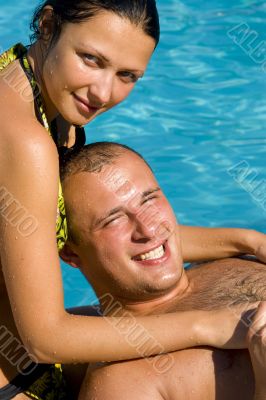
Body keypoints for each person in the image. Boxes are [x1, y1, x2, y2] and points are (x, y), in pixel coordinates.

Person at [0, 1, 265, 397]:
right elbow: (45, 338)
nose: (103, 92)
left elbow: (97, 234)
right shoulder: (26, 142)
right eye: (91, 59)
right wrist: (207, 324)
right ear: (50, 23)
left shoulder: (31, 84)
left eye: (127, 75)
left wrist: (248, 241)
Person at [59, 142, 266, 399]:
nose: (148, 229)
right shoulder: (123, 383)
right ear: (71, 253)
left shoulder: (232, 261)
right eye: (114, 220)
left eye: (149, 199)